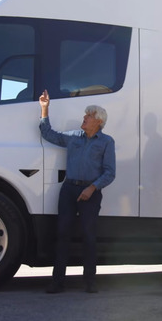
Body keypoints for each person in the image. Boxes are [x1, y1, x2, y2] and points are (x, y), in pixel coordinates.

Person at [38, 89, 116, 294]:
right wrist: (45, 109)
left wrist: (92, 188)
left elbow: (110, 172)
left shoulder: (106, 142)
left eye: (88, 116)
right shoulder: (73, 137)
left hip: (91, 192)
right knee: (62, 234)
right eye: (85, 115)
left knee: (89, 236)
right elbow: (48, 134)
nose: (84, 118)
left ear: (98, 121)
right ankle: (57, 282)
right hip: (69, 190)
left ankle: (90, 281)